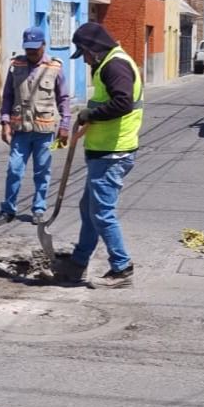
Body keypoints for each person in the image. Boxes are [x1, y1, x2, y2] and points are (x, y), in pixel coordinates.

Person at [55, 22, 143, 287]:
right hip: (103, 150)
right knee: (89, 208)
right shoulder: (109, 63)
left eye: (83, 52)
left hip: (113, 152)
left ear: (93, 48)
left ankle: (121, 267)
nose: (84, 59)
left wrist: (90, 114)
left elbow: (122, 102)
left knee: (102, 212)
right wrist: (89, 115)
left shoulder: (115, 65)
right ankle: (79, 261)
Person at [0, 27, 71, 226]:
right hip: (21, 131)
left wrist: (65, 126)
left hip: (45, 132)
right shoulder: (16, 66)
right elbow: (8, 97)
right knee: (14, 169)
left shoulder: (55, 67)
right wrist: (5, 123)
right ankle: (8, 209)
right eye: (28, 49)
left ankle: (39, 209)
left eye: (35, 49)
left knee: (42, 172)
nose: (31, 53)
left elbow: (63, 99)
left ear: (44, 46)